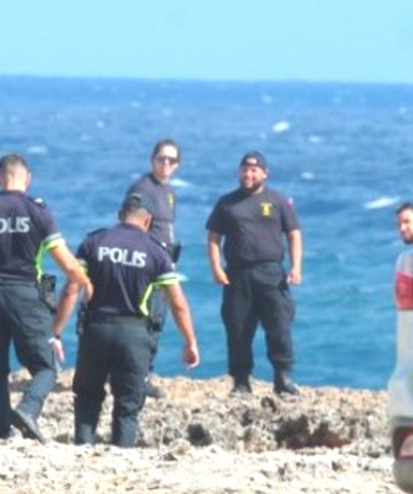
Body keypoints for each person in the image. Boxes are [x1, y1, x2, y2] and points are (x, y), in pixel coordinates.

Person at [0, 153, 92, 442]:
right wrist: (85, 282)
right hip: (26, 294)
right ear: (28, 179)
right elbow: (66, 263)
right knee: (46, 365)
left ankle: (1, 431)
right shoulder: (38, 212)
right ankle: (28, 409)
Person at [58, 192, 200, 448]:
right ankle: (122, 456)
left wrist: (55, 330)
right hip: (134, 335)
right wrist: (190, 342)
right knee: (127, 405)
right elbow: (177, 304)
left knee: (88, 396)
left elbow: (71, 289)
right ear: (148, 221)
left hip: (96, 330)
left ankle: (82, 449)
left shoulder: (94, 242)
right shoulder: (156, 252)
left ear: (120, 216)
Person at [206, 150, 303, 397]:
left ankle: (283, 378)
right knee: (238, 329)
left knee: (279, 327)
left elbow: (293, 234)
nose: (248, 174)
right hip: (237, 275)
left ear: (264, 173)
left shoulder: (279, 201)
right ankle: (241, 382)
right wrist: (216, 267)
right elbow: (214, 237)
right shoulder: (227, 203)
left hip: (271, 272)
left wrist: (296, 266)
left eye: (253, 170)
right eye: (244, 169)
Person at [126, 138, 182, 399]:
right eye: (162, 158)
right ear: (152, 160)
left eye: (172, 160)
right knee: (147, 320)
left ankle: (143, 373)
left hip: (165, 265)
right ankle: (139, 377)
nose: (166, 164)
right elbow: (132, 226)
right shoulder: (143, 188)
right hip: (148, 267)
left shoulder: (168, 191)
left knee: (157, 321)